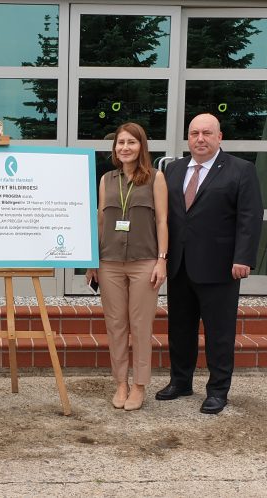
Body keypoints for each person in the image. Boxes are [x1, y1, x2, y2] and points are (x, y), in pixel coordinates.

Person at [156, 113, 262, 415]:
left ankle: (217, 390)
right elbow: (166, 219)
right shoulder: (173, 171)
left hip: (220, 268)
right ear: (188, 138)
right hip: (180, 266)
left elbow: (249, 217)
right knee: (180, 328)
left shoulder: (241, 170)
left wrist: (244, 257)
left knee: (219, 332)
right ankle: (181, 381)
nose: (200, 138)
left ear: (219, 137)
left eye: (206, 133)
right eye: (194, 133)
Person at [86, 122, 168, 411]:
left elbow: (162, 221)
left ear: (141, 146)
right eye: (120, 143)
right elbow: (100, 220)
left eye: (131, 142)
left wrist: (161, 260)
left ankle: (139, 385)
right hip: (109, 263)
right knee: (116, 325)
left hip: (144, 262)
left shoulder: (156, 178)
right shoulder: (106, 180)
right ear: (115, 148)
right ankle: (120, 382)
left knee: (141, 325)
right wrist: (91, 261)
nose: (125, 148)